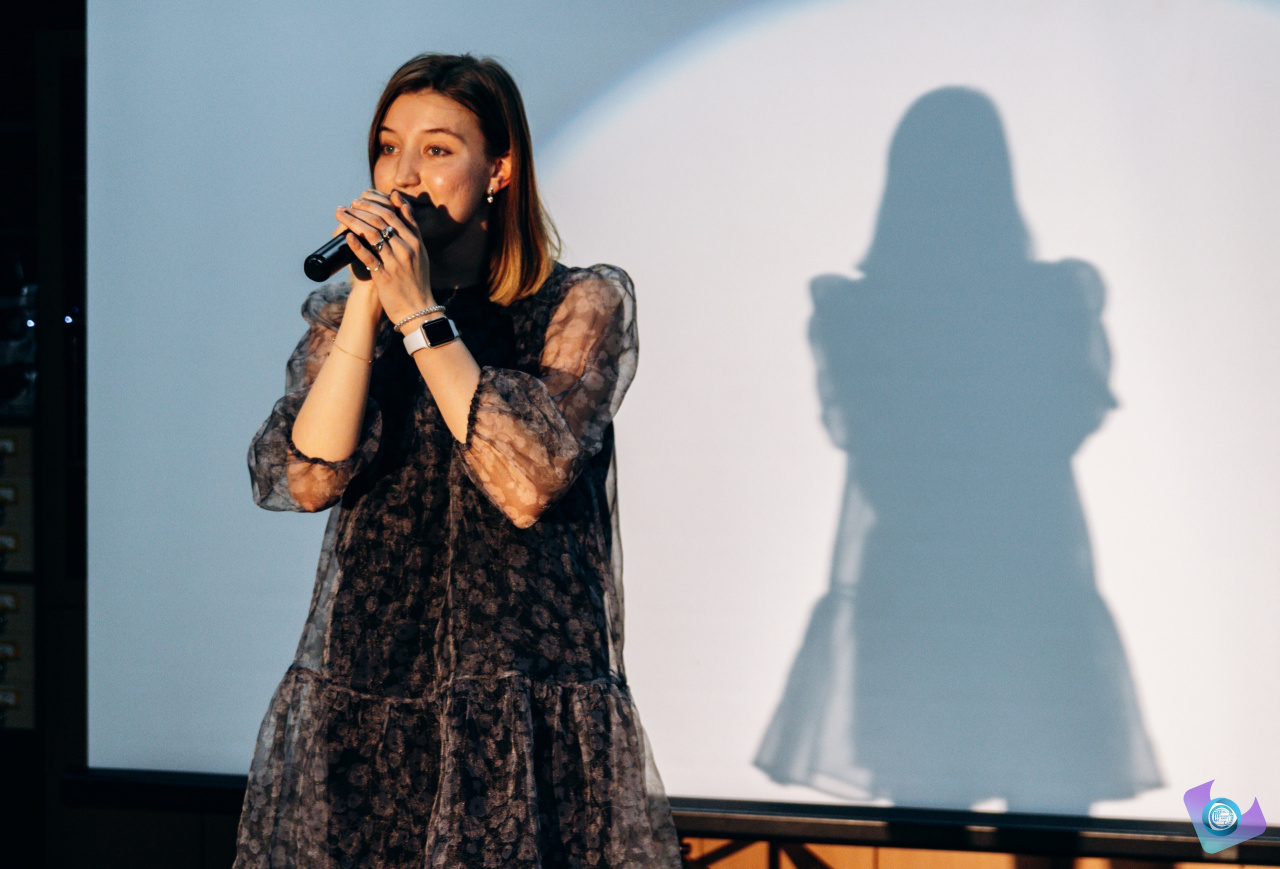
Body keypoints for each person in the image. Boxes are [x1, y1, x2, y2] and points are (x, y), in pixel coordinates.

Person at [234, 53, 681, 869]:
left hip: (518, 696)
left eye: (437, 150)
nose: (403, 174)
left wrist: (419, 311)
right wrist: (368, 299)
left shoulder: (580, 303)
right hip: (371, 682)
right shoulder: (351, 319)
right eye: (388, 147)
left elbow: (526, 479)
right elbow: (306, 475)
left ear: (499, 170)